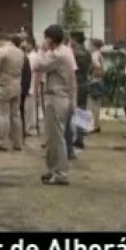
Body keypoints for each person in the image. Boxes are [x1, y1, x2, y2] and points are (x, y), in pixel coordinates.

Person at [34, 25, 75, 186]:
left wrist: (42, 50)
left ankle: (61, 173)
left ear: (50, 39)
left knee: (57, 137)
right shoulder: (63, 52)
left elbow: (38, 65)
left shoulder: (58, 54)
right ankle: (52, 169)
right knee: (51, 137)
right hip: (56, 96)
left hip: (57, 97)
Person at [0, 31, 25, 151]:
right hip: (17, 84)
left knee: (3, 114)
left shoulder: (1, 51)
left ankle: (3, 141)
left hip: (4, 85)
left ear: (0, 40)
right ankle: (18, 142)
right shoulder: (20, 51)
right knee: (16, 114)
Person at [85, 38, 106, 133]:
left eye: (90, 45)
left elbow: (97, 67)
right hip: (99, 81)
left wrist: (91, 77)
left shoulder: (94, 55)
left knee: (90, 105)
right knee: (96, 105)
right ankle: (96, 124)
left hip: (93, 81)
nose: (89, 47)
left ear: (94, 45)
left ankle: (91, 126)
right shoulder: (100, 54)